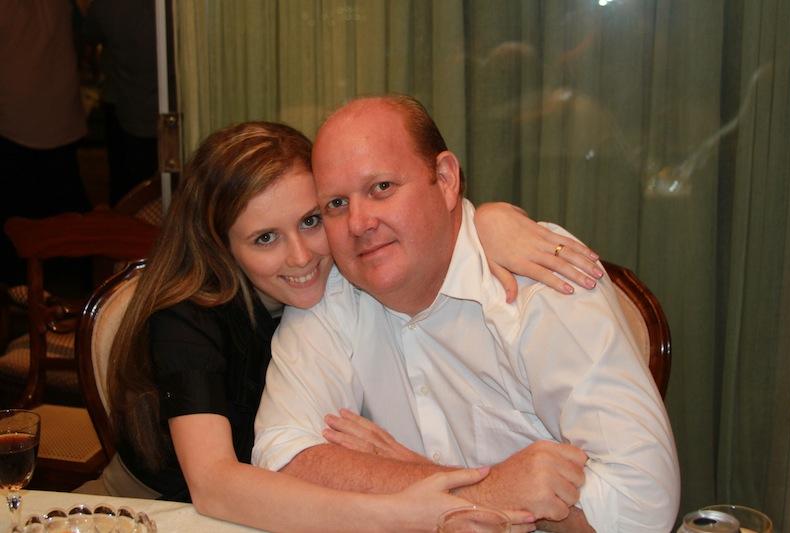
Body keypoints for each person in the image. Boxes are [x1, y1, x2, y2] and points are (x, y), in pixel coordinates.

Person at [101, 120, 600, 531]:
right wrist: (404, 513)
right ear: (220, 245)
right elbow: (214, 486)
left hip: (284, 509)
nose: (301, 257)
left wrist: (489, 221)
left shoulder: (347, 273)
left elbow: (435, 231)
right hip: (154, 510)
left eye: (312, 220)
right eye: (265, 238)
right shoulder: (187, 321)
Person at [252, 96, 681, 532]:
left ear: (445, 179)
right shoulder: (330, 294)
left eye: (381, 188)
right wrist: (484, 491)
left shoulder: (540, 282)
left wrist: (411, 479)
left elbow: (641, 509)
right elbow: (280, 457)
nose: (359, 223)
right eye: (336, 205)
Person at [0, 0, 91, 285]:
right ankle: (66, 287)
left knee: (20, 227)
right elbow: (82, 34)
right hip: (56, 119)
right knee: (65, 219)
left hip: (16, 123)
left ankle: (26, 290)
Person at [82, 0, 158, 205]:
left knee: (126, 186)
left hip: (128, 109)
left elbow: (88, 34)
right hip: (138, 108)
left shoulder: (108, 6)